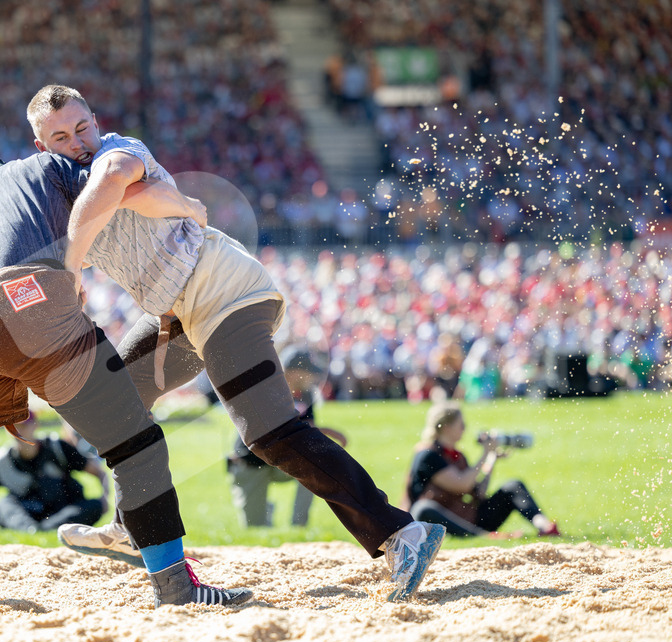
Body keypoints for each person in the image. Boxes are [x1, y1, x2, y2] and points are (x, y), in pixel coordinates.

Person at [27, 84, 444, 602]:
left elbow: (112, 180)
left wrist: (74, 264)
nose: (77, 142)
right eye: (61, 138)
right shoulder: (71, 199)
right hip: (179, 313)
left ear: (96, 121)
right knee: (118, 400)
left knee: (270, 433)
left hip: (225, 294)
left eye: (82, 128)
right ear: (42, 147)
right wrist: (167, 203)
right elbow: (98, 216)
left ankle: (401, 532)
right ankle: (134, 525)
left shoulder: (116, 151)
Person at [0, 151, 251, 608]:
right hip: (30, 300)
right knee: (135, 444)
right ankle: (176, 588)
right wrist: (188, 205)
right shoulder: (40, 169)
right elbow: (121, 186)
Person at [226, 346, 348, 528]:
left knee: (315, 465)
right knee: (255, 526)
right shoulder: (264, 389)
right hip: (250, 463)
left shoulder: (305, 394)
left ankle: (299, 524)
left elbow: (308, 429)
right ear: (293, 372)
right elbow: (274, 429)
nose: (312, 377)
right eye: (308, 372)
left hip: (280, 459)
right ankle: (265, 507)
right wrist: (329, 432)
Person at [401, 402, 561, 538]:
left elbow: (479, 493)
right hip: (437, 519)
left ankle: (544, 526)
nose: (464, 429)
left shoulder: (458, 456)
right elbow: (461, 484)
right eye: (461, 425)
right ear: (447, 428)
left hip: (466, 517)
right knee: (423, 508)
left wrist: (491, 458)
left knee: (513, 486)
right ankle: (483, 536)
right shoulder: (428, 455)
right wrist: (484, 454)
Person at [0, 412, 109, 533]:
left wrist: (105, 497)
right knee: (4, 506)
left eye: (24, 425)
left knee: (94, 505)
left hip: (63, 508)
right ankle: (35, 530)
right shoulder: (1, 462)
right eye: (13, 427)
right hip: (28, 513)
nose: (18, 431)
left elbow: (99, 473)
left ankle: (43, 529)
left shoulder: (57, 447)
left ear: (35, 425)